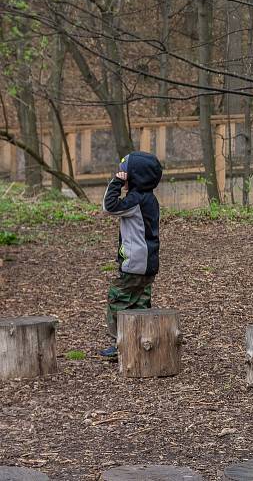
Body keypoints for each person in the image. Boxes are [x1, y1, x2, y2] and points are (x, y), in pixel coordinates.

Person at [100, 151, 163, 358]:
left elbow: (109, 207)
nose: (122, 174)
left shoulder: (135, 201)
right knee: (140, 302)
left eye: (125, 172)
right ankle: (143, 340)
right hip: (148, 263)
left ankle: (121, 343)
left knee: (117, 298)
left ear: (135, 177)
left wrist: (115, 182)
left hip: (135, 264)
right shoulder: (149, 199)